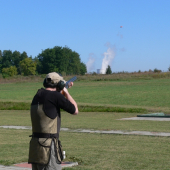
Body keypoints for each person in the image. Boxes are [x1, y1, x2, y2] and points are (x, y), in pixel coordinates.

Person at [28, 72, 78, 170]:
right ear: (60, 84)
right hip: (49, 147)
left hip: (35, 147)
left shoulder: (37, 95)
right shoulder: (56, 96)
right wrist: (66, 92)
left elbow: (49, 101)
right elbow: (75, 110)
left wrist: (62, 92)